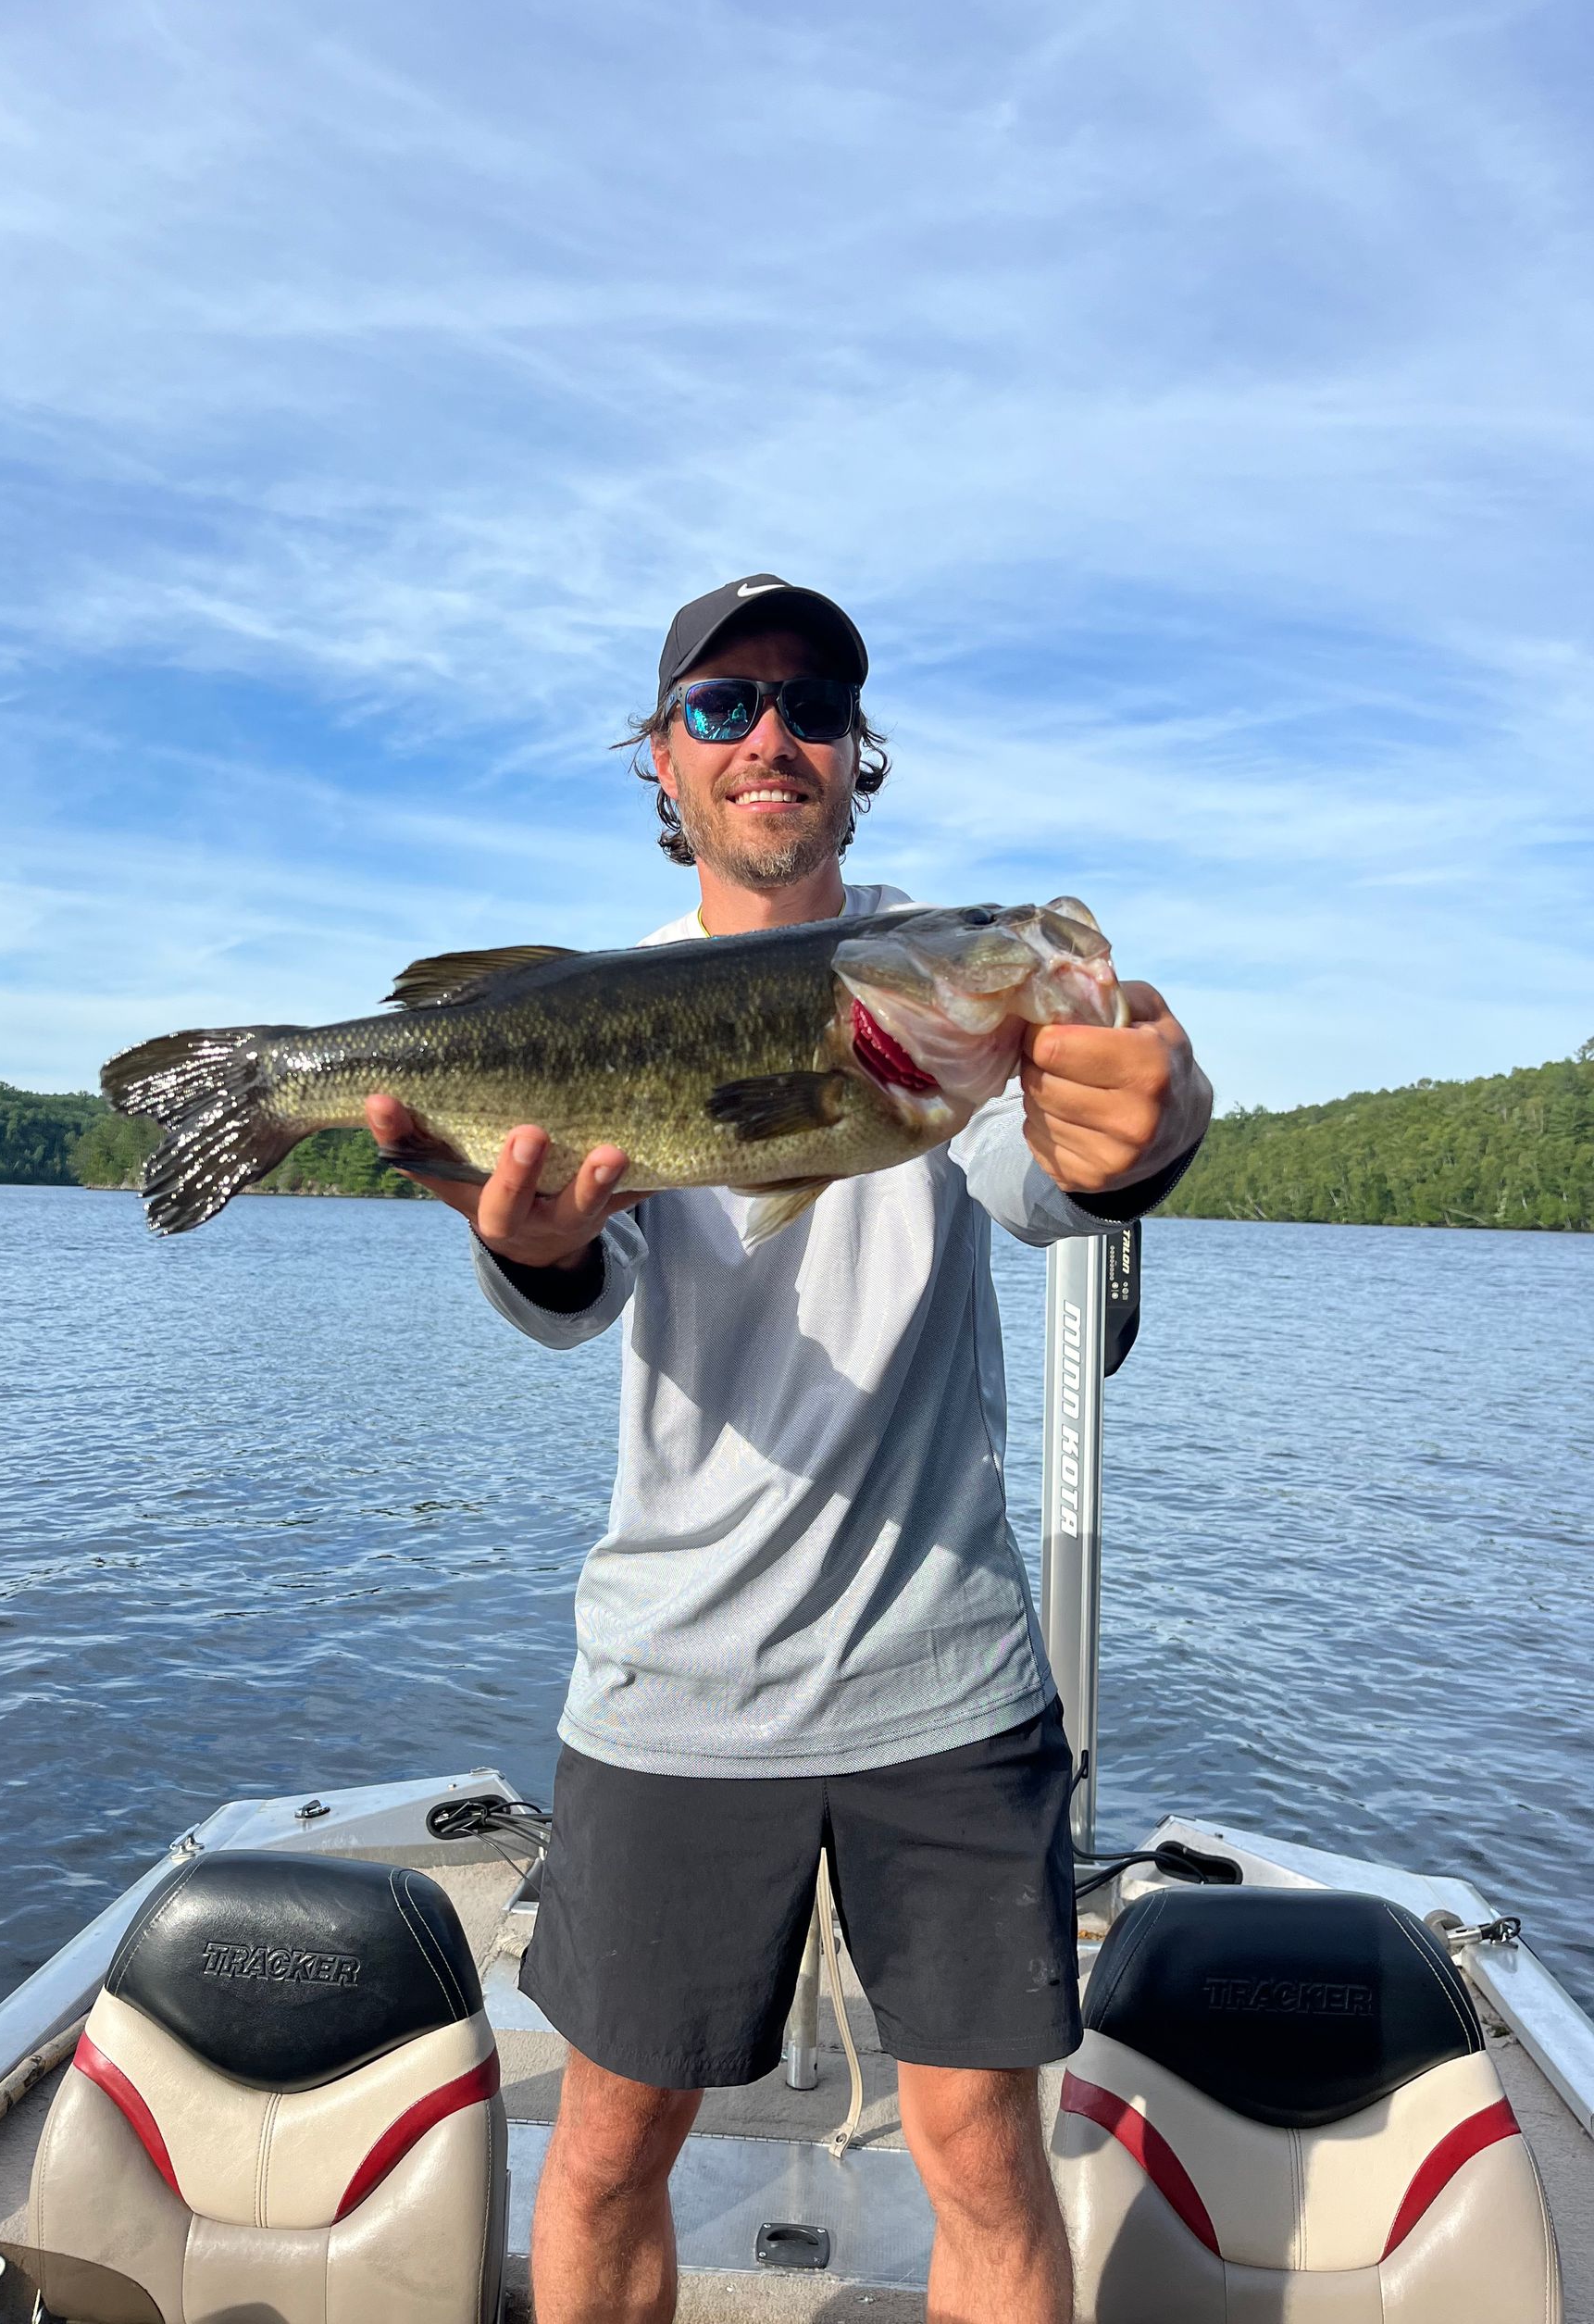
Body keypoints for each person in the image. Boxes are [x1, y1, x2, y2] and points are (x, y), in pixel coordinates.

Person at [366, 576, 1212, 2324]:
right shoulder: (604, 1004)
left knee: (983, 2157)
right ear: (662, 765)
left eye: (813, 706)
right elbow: (577, 1275)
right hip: (675, 1680)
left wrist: (1147, 1128)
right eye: (722, 708)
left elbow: (1052, 1170)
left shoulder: (931, 994)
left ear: (855, 759)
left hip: (946, 1679)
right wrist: (524, 1243)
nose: (773, 737)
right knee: (601, 2151)